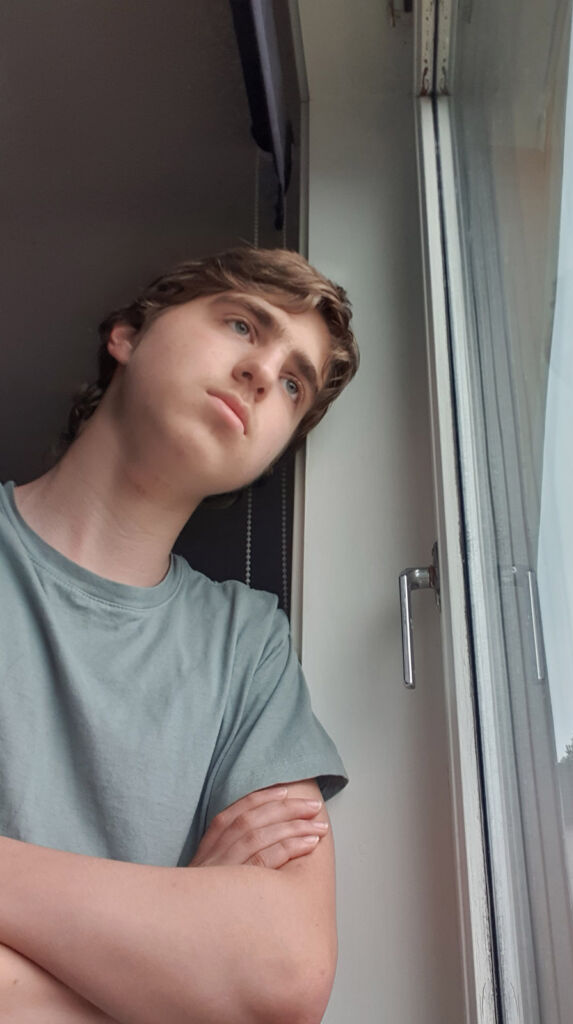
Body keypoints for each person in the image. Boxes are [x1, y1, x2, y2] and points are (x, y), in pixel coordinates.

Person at [0, 246, 359, 1022]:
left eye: (293, 384)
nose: (262, 373)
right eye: (242, 325)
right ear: (127, 335)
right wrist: (172, 948)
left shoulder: (249, 643)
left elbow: (282, 976)